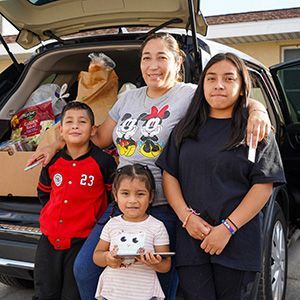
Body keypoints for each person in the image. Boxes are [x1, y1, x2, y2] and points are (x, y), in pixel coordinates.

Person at [27, 33, 272, 300]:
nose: (153, 65)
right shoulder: (128, 99)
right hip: (120, 203)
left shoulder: (189, 94)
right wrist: (54, 142)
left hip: (164, 206)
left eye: (161, 57)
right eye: (146, 58)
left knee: (158, 282)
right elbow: (97, 138)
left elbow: (230, 97)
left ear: (178, 61)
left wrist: (258, 112)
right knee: (86, 269)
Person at [156, 52, 286, 300]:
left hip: (237, 240)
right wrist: (187, 218)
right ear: (202, 84)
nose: (218, 85)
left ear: (241, 87)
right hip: (192, 237)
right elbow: (170, 175)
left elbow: (263, 186)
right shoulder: (186, 129)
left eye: (229, 79)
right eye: (211, 78)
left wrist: (227, 228)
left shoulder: (255, 129)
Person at [33, 101, 116, 300]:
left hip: (83, 240)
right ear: (61, 130)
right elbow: (44, 193)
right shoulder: (52, 161)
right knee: (45, 292)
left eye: (82, 122)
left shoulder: (103, 162)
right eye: (69, 121)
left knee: (73, 294)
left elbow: (110, 198)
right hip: (49, 240)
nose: (75, 126)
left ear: (93, 129)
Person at [93, 164, 171, 300]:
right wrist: (108, 258)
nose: (132, 200)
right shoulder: (112, 224)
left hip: (144, 294)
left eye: (140, 194)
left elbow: (166, 265)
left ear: (151, 196)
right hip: (112, 293)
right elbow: (97, 256)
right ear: (115, 195)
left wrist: (155, 263)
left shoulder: (157, 226)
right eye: (125, 193)